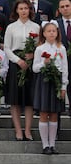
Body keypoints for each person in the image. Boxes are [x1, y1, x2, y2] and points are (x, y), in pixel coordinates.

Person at [4, 0, 40, 141]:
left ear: (30, 10)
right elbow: (6, 48)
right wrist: (17, 60)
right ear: (16, 11)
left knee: (29, 99)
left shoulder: (36, 27)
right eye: (21, 8)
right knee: (15, 99)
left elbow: (39, 46)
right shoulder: (11, 27)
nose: (24, 11)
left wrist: (33, 55)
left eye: (26, 8)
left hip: (31, 64)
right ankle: (18, 130)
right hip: (16, 63)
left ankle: (28, 130)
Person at [33, 21, 68, 154]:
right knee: (44, 112)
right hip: (44, 81)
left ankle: (52, 144)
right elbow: (35, 68)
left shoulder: (61, 48)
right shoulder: (40, 49)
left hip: (57, 81)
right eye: (49, 31)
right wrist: (44, 63)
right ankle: (45, 145)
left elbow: (65, 68)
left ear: (57, 32)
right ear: (44, 33)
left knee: (54, 113)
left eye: (54, 31)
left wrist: (64, 85)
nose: (52, 33)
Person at [57, 0, 71, 115]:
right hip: (60, 64)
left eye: (67, 6)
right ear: (59, 10)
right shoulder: (55, 24)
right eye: (62, 7)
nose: (65, 9)